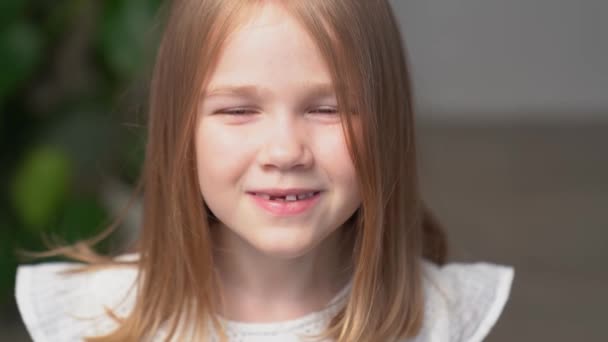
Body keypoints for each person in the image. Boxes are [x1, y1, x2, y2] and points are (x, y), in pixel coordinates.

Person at [15, 0, 513, 341]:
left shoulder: (443, 320)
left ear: (387, 125)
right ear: (179, 133)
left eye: (327, 109)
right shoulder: (90, 320)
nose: (285, 151)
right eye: (237, 111)